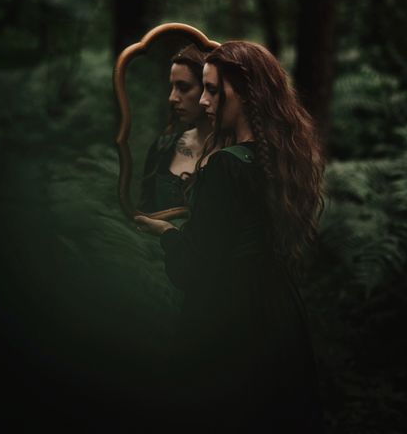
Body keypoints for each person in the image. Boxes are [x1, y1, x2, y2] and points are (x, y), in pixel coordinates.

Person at [135, 41, 326, 432]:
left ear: (246, 93)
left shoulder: (225, 166)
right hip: (278, 310)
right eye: (202, 89)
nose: (204, 101)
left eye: (213, 90)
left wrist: (168, 233)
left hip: (229, 317)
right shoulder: (279, 157)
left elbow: (195, 268)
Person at [138, 43, 215, 218]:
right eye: (172, 87)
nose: (172, 98)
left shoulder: (234, 154)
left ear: (209, 89)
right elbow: (144, 211)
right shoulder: (163, 147)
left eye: (184, 87)